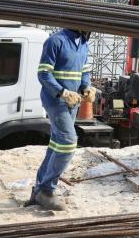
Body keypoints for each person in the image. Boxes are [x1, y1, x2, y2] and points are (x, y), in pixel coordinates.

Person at [28, 28, 95, 210]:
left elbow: (84, 70)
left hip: (73, 102)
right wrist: (62, 93)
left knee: (57, 144)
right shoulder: (55, 41)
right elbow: (43, 74)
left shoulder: (83, 43)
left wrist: (87, 87)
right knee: (68, 142)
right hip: (55, 100)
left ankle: (39, 190)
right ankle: (47, 191)